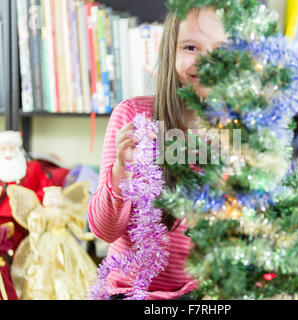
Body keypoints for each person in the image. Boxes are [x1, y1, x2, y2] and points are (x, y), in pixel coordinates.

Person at [88, 6, 228, 300]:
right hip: (131, 292)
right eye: (191, 47)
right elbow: (104, 230)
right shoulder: (133, 116)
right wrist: (120, 173)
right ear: (170, 52)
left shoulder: (241, 131)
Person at [0, 131, 51, 255]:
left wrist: (32, 201)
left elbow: (45, 188)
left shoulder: (32, 168)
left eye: (12, 148)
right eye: (3, 149)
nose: (8, 152)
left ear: (18, 149)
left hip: (26, 219)